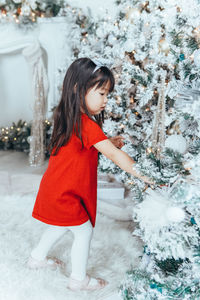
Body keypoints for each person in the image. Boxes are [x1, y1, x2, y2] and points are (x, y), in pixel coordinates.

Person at [27, 57, 154, 291]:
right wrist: (145, 174)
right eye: (102, 93)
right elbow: (115, 156)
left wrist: (108, 142)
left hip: (57, 188)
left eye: (108, 94)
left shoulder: (68, 117)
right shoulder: (87, 125)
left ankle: (37, 258)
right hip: (66, 192)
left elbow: (84, 147)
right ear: (79, 89)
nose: (106, 100)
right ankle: (78, 279)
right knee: (83, 231)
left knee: (61, 225)